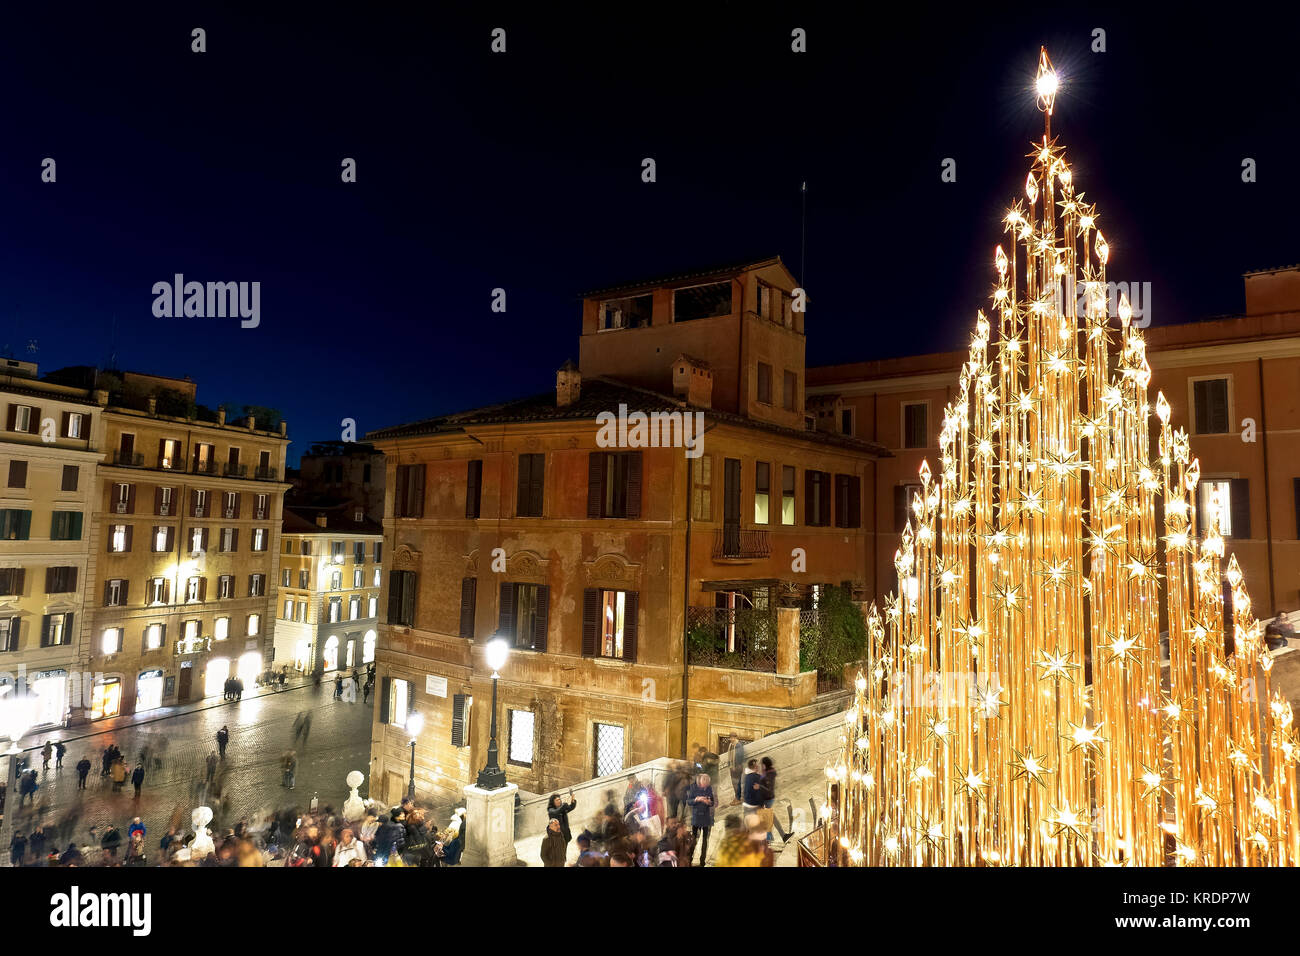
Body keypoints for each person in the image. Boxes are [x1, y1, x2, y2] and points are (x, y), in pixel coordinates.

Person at [686, 772, 716, 865]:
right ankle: (689, 859)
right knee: (693, 839)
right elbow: (689, 801)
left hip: (706, 818)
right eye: (705, 781)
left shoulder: (709, 788)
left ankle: (702, 861)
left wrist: (709, 802)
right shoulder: (693, 787)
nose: (707, 783)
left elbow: (712, 802)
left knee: (705, 840)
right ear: (700, 780)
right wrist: (697, 799)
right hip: (696, 818)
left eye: (708, 781)